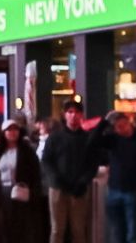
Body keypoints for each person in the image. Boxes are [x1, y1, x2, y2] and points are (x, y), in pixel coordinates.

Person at [42, 100, 107, 243]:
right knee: (57, 229)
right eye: (70, 112)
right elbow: (46, 161)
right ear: (65, 115)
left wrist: (83, 181)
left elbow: (93, 163)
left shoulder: (87, 138)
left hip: (79, 189)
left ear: (82, 115)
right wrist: (55, 179)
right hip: (58, 188)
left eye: (77, 112)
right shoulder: (54, 138)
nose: (73, 116)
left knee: (78, 229)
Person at [98, 112, 136, 243]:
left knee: (133, 233)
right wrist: (104, 122)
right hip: (114, 190)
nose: (122, 129)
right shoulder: (113, 139)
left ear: (129, 122)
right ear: (114, 129)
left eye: (124, 125)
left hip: (135, 191)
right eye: (118, 127)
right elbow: (94, 140)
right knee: (116, 232)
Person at [0, 119, 48, 243]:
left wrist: (33, 193)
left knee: (22, 228)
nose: (12, 133)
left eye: (15, 129)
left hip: (22, 194)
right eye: (9, 130)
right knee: (4, 228)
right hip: (2, 193)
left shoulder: (27, 152)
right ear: (4, 133)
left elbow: (35, 174)